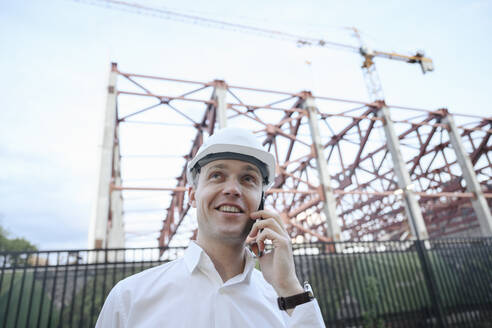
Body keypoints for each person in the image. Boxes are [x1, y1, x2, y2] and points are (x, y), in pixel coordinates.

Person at [96, 127, 325, 327]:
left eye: (248, 179)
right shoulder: (129, 299)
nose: (232, 189)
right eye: (217, 175)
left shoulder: (290, 306)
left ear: (261, 201)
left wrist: (290, 289)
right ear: (192, 196)